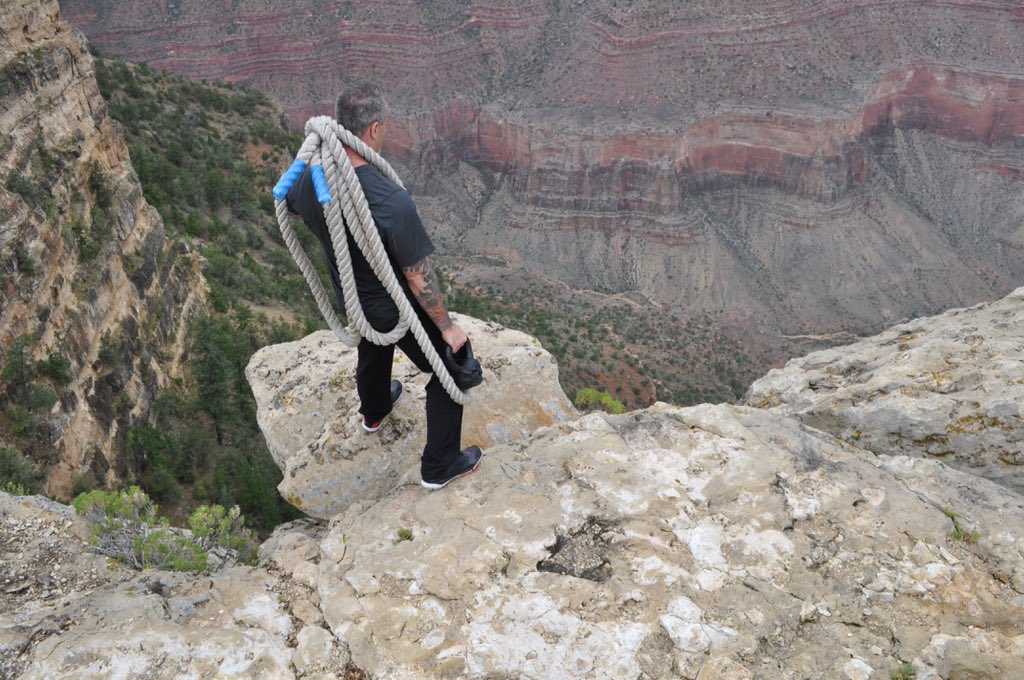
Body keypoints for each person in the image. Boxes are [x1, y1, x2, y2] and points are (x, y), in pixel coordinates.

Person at [285, 81, 481, 490]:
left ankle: (374, 410)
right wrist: (447, 328)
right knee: (451, 366)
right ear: (373, 129)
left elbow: (293, 207)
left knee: (373, 344)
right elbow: (417, 276)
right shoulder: (390, 201)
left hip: (353, 299)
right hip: (393, 307)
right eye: (385, 126)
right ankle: (440, 464)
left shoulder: (308, 181)